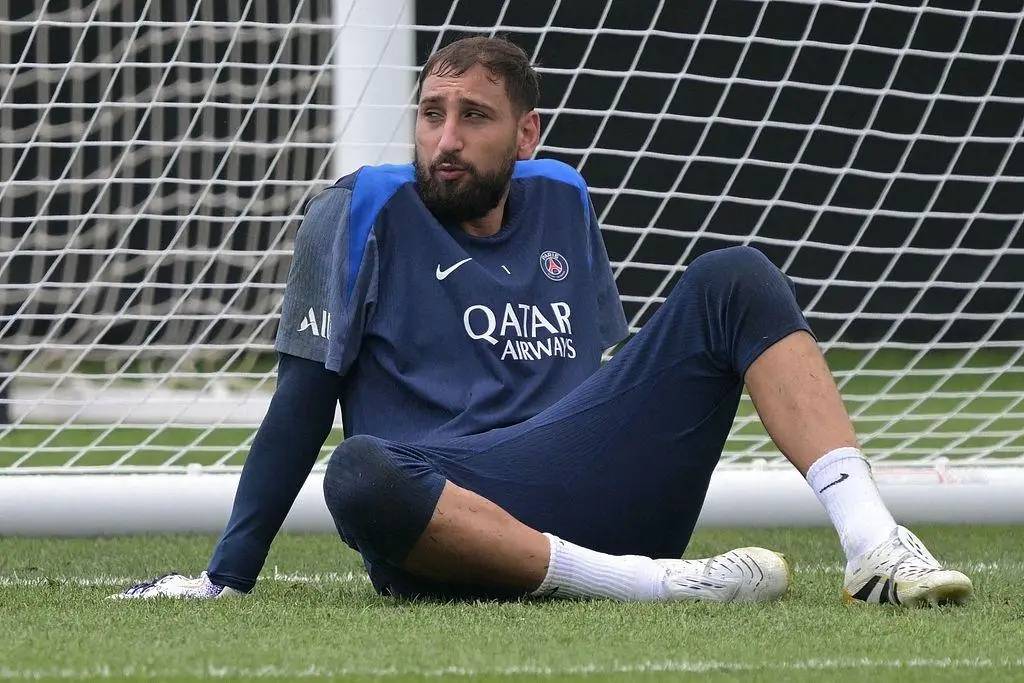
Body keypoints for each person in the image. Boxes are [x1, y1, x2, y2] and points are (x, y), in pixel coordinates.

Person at [118, 37, 971, 607]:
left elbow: (594, 377)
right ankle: (655, 586)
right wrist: (227, 576)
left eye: (474, 116)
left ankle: (876, 545)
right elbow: (298, 407)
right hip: (442, 517)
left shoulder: (564, 197)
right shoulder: (355, 211)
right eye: (432, 113)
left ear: (526, 134)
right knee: (358, 470)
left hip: (582, 476)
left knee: (734, 276)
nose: (446, 139)